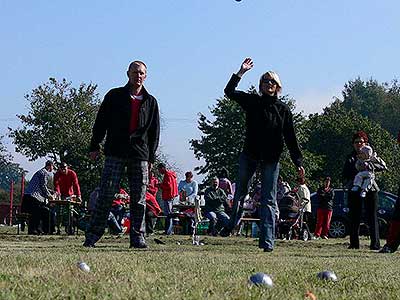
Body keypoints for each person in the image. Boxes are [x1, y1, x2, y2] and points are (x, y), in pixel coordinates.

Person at [221, 58, 304, 252]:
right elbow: (229, 92)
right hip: (249, 154)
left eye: (272, 82)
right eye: (265, 81)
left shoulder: (283, 110)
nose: (269, 84)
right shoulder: (252, 101)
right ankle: (231, 225)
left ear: (278, 87)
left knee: (268, 200)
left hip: (271, 159)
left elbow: (291, 137)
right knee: (240, 192)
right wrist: (240, 72)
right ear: (260, 85)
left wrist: (297, 161)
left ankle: (267, 242)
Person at [84, 60, 160, 249]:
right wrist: (95, 146)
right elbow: (101, 122)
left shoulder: (150, 102)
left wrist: (151, 158)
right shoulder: (114, 96)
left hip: (140, 154)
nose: (138, 76)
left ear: (146, 76)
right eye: (135, 72)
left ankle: (138, 237)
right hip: (115, 151)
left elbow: (154, 133)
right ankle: (93, 235)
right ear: (128, 74)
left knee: (139, 198)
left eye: (141, 73)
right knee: (106, 195)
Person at [342, 131, 387, 250]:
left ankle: (375, 244)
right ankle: (354, 244)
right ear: (353, 144)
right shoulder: (350, 157)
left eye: (360, 142)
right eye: (356, 142)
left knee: (372, 216)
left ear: (365, 142)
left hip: (370, 188)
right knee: (354, 217)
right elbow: (345, 173)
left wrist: (369, 166)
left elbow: (382, 166)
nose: (358, 144)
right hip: (355, 188)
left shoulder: (371, 155)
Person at [21, 160, 55, 234]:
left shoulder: (40, 172)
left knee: (38, 212)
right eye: (53, 166)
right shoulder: (44, 173)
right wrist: (50, 196)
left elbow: (40, 186)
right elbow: (43, 186)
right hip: (34, 197)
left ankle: (37, 229)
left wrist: (50, 191)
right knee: (37, 213)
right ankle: (34, 230)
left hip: (27, 196)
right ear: (50, 166)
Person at [157, 163, 178, 235]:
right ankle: (169, 230)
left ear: (162, 168)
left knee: (168, 214)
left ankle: (168, 231)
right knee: (169, 213)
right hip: (171, 196)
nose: (159, 171)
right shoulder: (171, 174)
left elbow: (168, 186)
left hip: (168, 196)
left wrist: (160, 185)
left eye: (159, 169)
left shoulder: (167, 175)